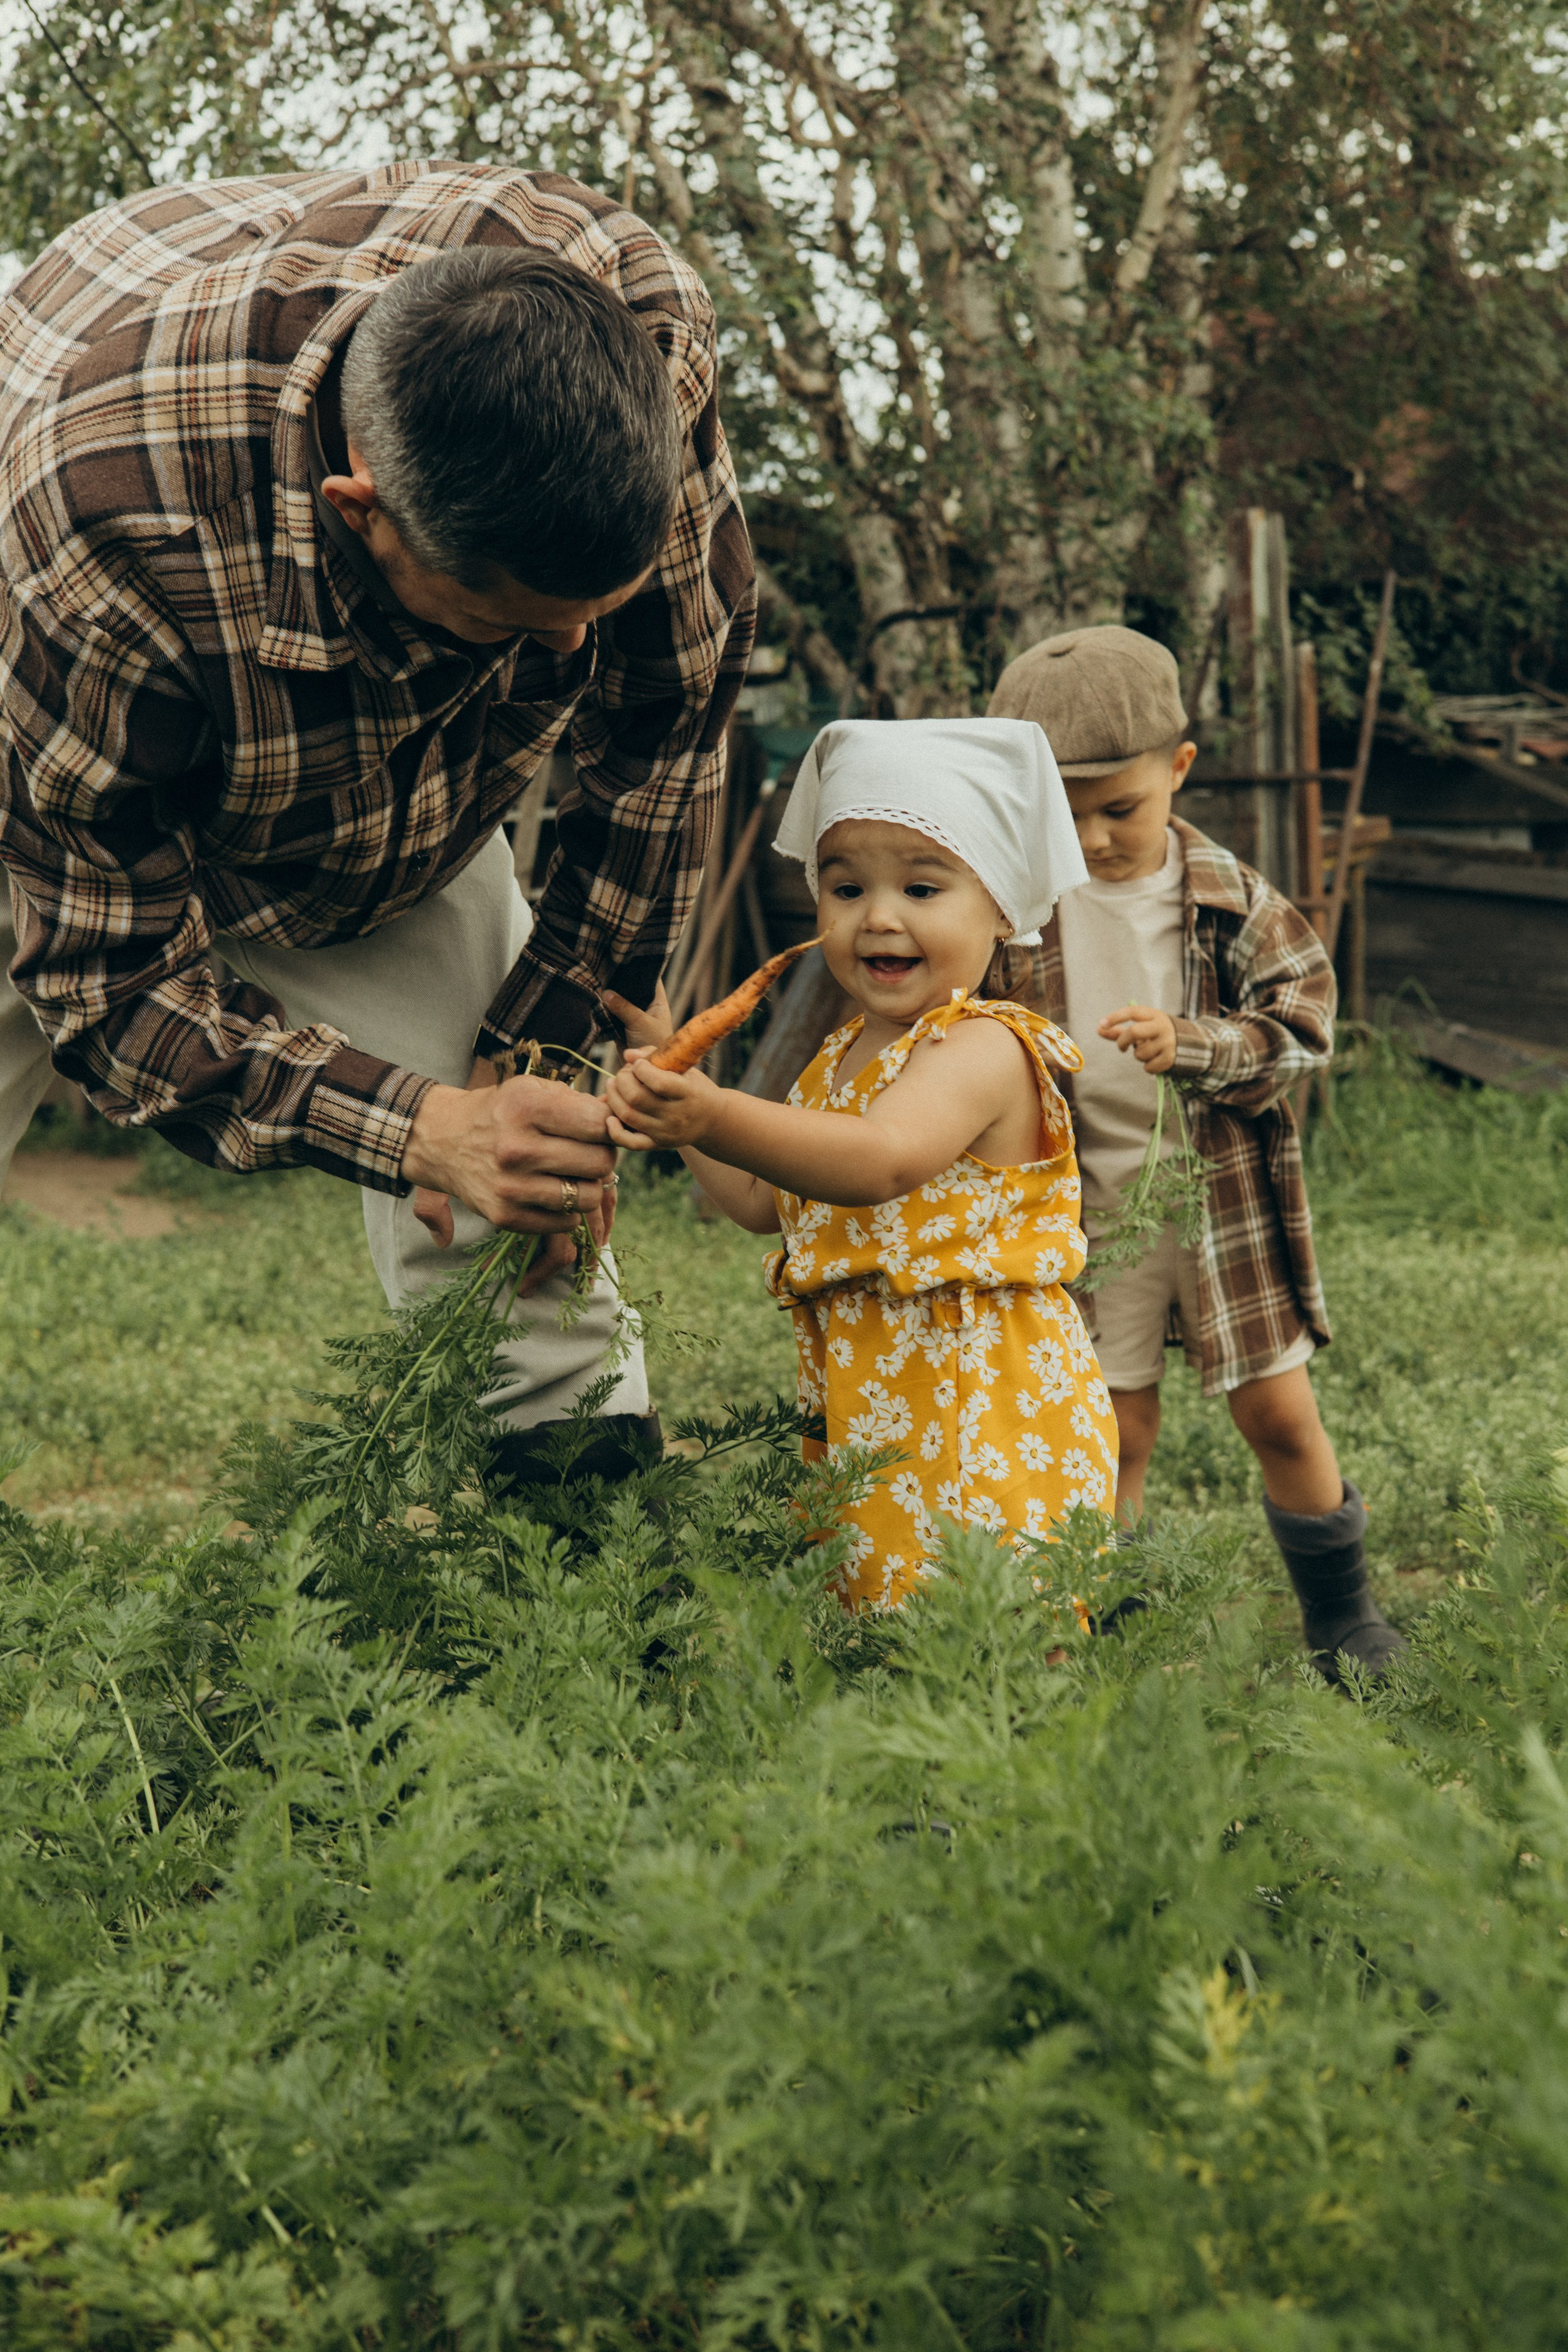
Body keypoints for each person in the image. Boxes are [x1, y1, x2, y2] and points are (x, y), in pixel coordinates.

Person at [0, 162, 755, 1482]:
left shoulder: (638, 326)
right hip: (52, 772)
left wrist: (529, 1070)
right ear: (365, 510)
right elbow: (108, 982)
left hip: (383, 811)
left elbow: (663, 728)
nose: (573, 654)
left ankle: (585, 1624)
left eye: (595, 606)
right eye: (514, 625)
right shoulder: (103, 538)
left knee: (526, 1214)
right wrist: (413, 1128)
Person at [601, 717, 1119, 1610]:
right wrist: (681, 1093)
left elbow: (880, 1161)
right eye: (846, 888)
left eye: (922, 887)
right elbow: (765, 1201)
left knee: (986, 1627)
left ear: (1001, 905)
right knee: (881, 1621)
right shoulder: (838, 1056)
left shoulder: (985, 1046)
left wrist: (715, 1110)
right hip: (873, 1395)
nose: (879, 915)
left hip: (981, 1402)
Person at [987, 625, 1404, 1681]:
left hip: (1216, 1196)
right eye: (1064, 816)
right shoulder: (1011, 910)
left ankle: (1343, 1619)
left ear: (1177, 771)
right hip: (1090, 1207)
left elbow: (1306, 1024)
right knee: (1110, 1430)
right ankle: (1102, 1618)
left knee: (1278, 1412)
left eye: (1119, 809)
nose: (1092, 836)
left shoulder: (1233, 898)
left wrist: (1198, 1046)